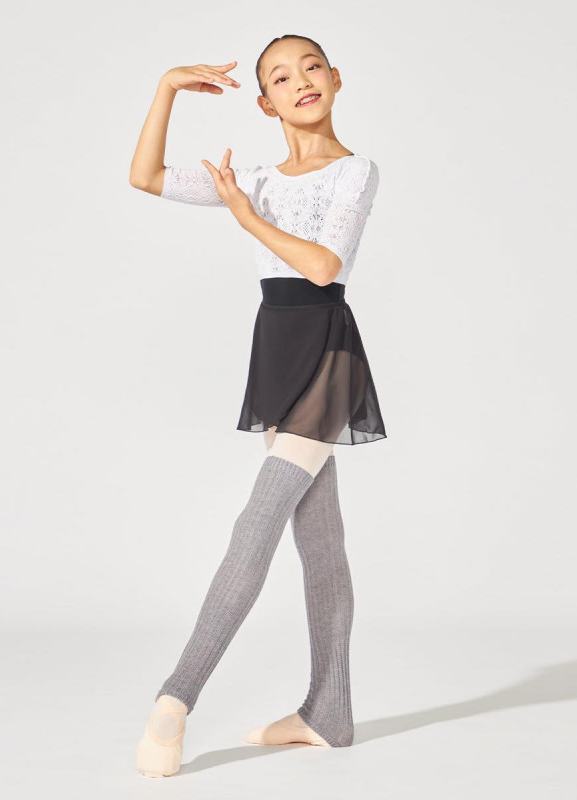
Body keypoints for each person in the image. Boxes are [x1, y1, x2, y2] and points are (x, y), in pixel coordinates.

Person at [128, 34, 387, 778]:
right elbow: (145, 176)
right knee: (320, 537)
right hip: (275, 349)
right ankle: (328, 712)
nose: (299, 80)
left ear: (335, 78)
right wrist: (167, 87)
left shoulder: (354, 171)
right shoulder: (257, 179)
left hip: (326, 349)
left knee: (258, 519)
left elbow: (323, 266)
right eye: (279, 76)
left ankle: (176, 697)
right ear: (265, 102)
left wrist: (244, 215)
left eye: (311, 67)